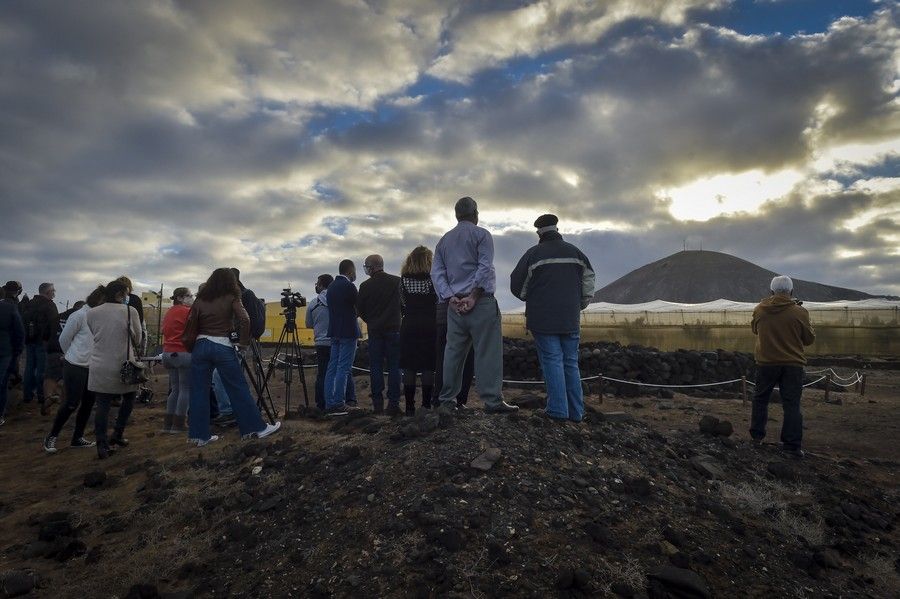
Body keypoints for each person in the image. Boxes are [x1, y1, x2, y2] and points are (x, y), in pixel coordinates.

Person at [431, 197, 518, 414]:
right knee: (487, 352)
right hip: (481, 303)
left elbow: (437, 273)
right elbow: (485, 266)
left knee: (453, 353)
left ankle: (447, 400)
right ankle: (492, 400)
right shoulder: (482, 235)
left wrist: (450, 297)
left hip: (454, 307)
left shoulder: (444, 241)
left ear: (456, 215)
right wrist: (474, 295)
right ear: (476, 214)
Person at [510, 214, 595, 422]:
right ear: (557, 229)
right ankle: (576, 413)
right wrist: (580, 303)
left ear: (539, 232)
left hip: (543, 319)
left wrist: (533, 298)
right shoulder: (577, 253)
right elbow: (589, 281)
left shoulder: (533, 254)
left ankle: (557, 411)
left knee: (552, 361)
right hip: (570, 317)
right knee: (570, 362)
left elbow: (516, 284)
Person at [185, 268, 280, 446]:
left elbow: (191, 322)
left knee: (199, 391)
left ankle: (198, 436)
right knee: (237, 388)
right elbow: (245, 319)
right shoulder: (232, 296)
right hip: (222, 346)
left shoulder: (201, 299)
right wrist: (243, 343)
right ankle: (254, 428)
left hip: (200, 346)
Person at [749, 275, 816, 458]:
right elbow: (809, 339)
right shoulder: (800, 312)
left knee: (760, 399)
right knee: (792, 404)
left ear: (771, 292)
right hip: (792, 365)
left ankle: (756, 437)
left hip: (766, 363)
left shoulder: (760, 310)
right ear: (791, 292)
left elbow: (755, 330)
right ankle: (792, 446)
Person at [86, 280, 142, 459]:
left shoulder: (92, 312)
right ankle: (117, 434)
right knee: (129, 398)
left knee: (102, 405)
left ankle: (101, 445)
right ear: (121, 294)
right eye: (126, 294)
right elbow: (138, 339)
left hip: (99, 364)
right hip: (124, 364)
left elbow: (95, 333)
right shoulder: (129, 311)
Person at [43, 290, 104, 452]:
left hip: (93, 367)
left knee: (88, 404)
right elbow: (64, 339)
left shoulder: (99, 316)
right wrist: (70, 355)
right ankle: (52, 436)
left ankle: (77, 437)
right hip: (75, 365)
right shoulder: (79, 315)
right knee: (71, 403)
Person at [356, 254, 402, 414]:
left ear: (371, 267)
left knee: (375, 367)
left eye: (366, 266)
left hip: (375, 332)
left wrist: (371, 320)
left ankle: (377, 404)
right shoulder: (397, 282)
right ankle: (394, 403)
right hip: (394, 330)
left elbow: (359, 309)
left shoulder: (365, 286)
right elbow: (403, 305)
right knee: (395, 367)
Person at [305, 274, 356, 410]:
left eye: (317, 283)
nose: (315, 285)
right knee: (345, 370)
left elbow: (308, 324)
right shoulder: (338, 298)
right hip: (338, 336)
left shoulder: (313, 303)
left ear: (321, 285)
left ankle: (322, 403)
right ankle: (350, 399)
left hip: (321, 342)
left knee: (323, 373)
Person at [398, 247, 438, 416]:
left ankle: (409, 407)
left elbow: (402, 305)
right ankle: (426, 405)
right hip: (430, 324)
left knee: (409, 366)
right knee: (429, 366)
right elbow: (438, 300)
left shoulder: (403, 281)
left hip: (409, 324)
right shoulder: (433, 280)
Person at [324, 260, 361, 415]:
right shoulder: (349, 286)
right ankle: (339, 403)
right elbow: (359, 306)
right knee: (344, 368)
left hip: (335, 332)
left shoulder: (331, 287)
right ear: (350, 271)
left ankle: (330, 402)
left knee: (332, 367)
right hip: (348, 331)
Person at [160, 287, 194, 434]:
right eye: (189, 295)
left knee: (175, 389)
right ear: (180, 298)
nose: (191, 298)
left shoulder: (169, 312)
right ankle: (179, 423)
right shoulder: (187, 312)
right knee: (185, 389)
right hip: (183, 353)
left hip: (168, 353)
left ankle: (168, 424)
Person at [22, 282, 59, 411]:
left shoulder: (29, 304)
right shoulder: (50, 305)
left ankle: (27, 395)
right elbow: (55, 325)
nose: (54, 293)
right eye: (53, 291)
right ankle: (41, 395)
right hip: (43, 342)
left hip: (29, 340)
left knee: (29, 368)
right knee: (42, 370)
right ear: (48, 292)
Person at [0, 287, 25, 426]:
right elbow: (19, 331)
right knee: (2, 383)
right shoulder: (9, 309)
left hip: (6, 351)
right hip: (5, 351)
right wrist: (17, 351)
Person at [3, 281, 24, 387]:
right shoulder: (13, 304)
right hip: (8, 343)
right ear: (18, 291)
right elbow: (18, 328)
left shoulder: (8, 300)